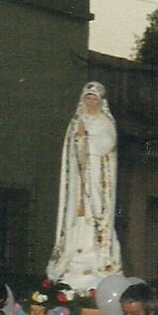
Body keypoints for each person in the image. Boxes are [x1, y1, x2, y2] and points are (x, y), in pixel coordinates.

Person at [47, 81, 124, 289]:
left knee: (96, 215)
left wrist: (86, 139)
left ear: (100, 101)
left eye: (94, 98)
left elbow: (106, 144)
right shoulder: (76, 122)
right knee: (77, 217)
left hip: (98, 180)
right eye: (88, 98)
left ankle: (99, 258)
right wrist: (79, 139)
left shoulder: (106, 122)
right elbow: (71, 152)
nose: (91, 102)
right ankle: (72, 258)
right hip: (78, 181)